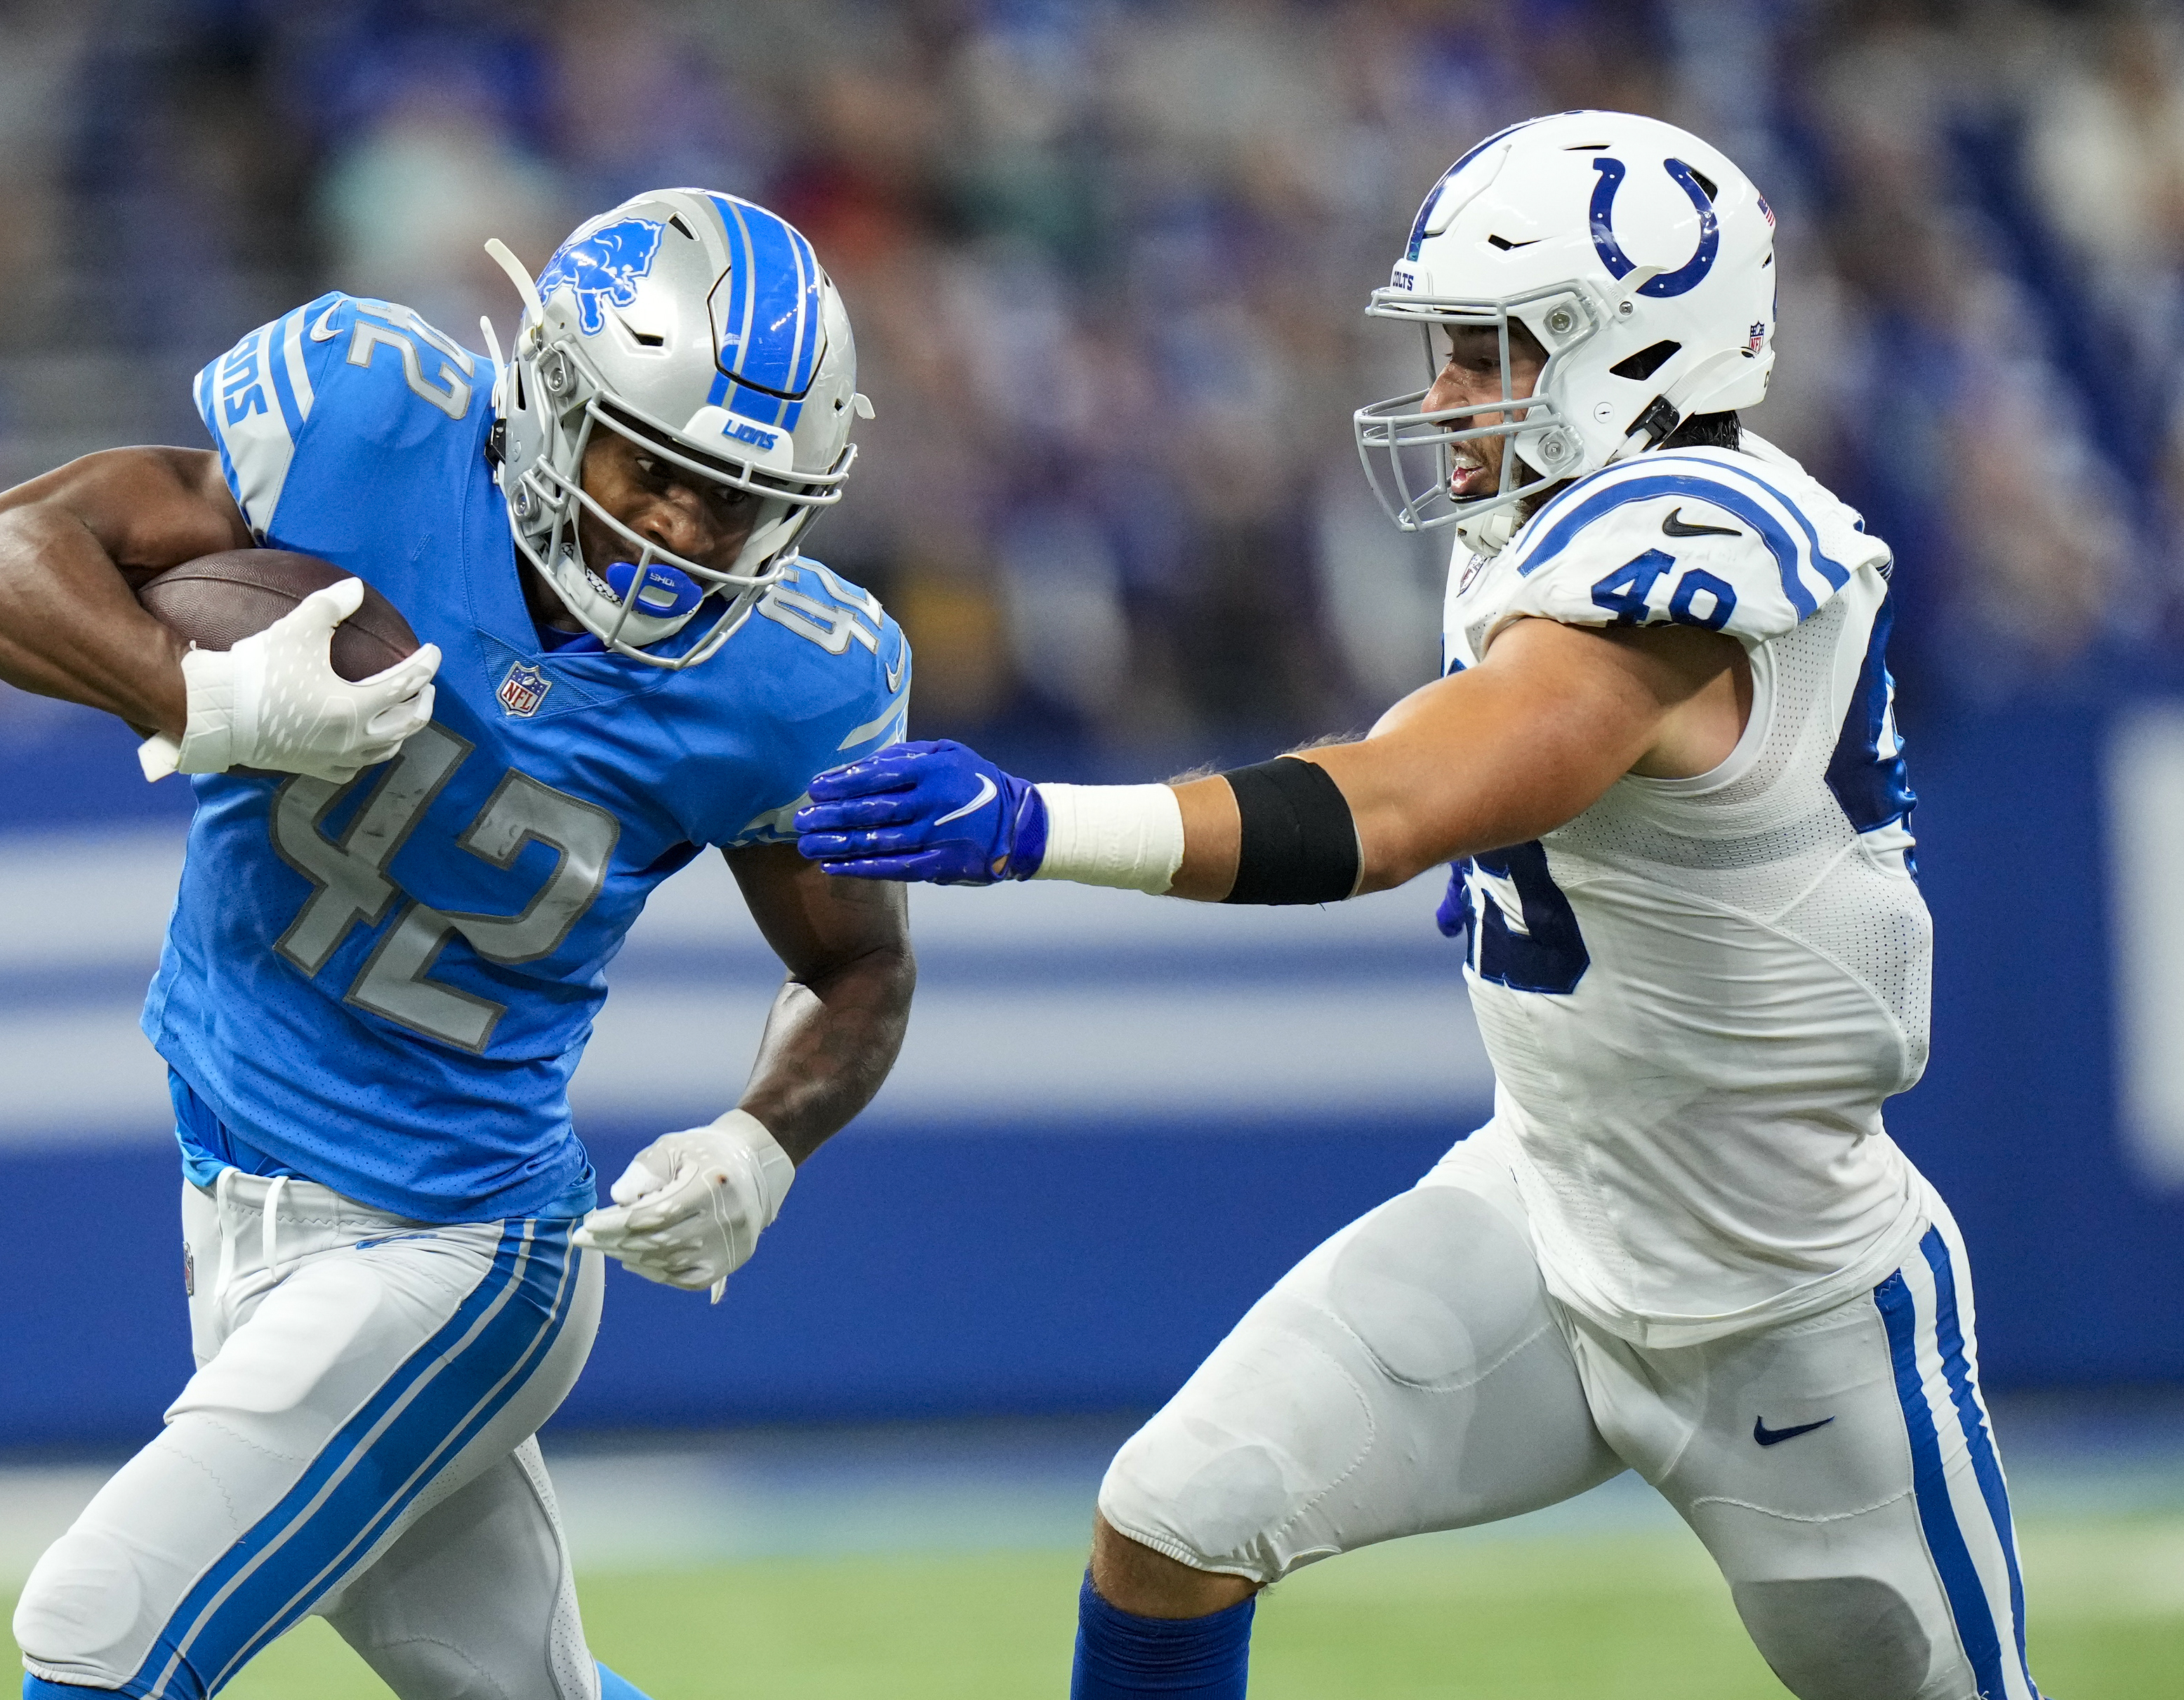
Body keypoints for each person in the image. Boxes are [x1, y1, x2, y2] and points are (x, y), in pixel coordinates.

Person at [801, 110, 2040, 1700]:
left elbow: (1385, 808)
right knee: (1171, 1516)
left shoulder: (1697, 543)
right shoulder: (1538, 527)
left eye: (1489, 351)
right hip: (1546, 1203)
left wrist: (1037, 822)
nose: (1449, 394)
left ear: (1637, 344)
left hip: (1784, 1287)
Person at [0, 188, 915, 1700]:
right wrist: (200, 699)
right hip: (236, 1193)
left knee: (96, 1632)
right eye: (656, 468)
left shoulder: (785, 680)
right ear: (549, 395)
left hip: (457, 1244)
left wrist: (761, 1142)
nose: (682, 530)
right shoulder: (367, 427)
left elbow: (857, 967)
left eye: (733, 499)